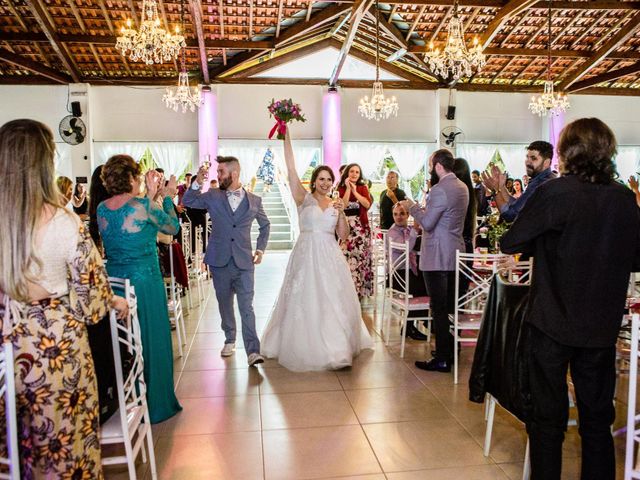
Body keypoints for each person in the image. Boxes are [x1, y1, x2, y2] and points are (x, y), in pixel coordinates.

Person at [501, 118, 640, 480]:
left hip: (551, 320)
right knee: (597, 420)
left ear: (565, 152)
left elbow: (510, 241)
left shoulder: (556, 193)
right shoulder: (625, 199)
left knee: (547, 421)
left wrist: (546, 240)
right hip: (600, 325)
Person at [0, 119, 128, 478]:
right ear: (44, 164)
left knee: (19, 449)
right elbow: (93, 303)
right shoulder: (63, 223)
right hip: (57, 351)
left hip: (10, 347)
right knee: (69, 447)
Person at [261, 129, 373, 371]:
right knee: (306, 299)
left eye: (328, 179)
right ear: (314, 181)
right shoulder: (303, 198)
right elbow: (291, 169)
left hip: (330, 254)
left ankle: (337, 349)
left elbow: (343, 236)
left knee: (332, 300)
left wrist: (342, 211)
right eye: (321, 178)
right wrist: (287, 135)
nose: (325, 183)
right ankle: (303, 345)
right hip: (306, 253)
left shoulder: (335, 203)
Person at [98, 155, 182, 423]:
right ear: (132, 179)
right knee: (150, 338)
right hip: (144, 282)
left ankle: (129, 398)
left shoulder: (101, 208)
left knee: (125, 343)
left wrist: (150, 194)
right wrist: (166, 196)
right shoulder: (143, 206)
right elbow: (173, 226)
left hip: (115, 284)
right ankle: (156, 403)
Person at [183, 157, 270, 366]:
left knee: (246, 306)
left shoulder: (255, 201)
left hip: (244, 261)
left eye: (221, 172)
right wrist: (198, 181)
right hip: (219, 260)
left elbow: (265, 225)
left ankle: (253, 350)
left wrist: (260, 249)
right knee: (224, 303)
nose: (218, 175)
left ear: (234, 174)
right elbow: (188, 201)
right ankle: (230, 339)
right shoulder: (212, 196)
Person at [400, 149, 468, 372]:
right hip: (455, 251)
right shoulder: (462, 187)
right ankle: (449, 351)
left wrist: (413, 207)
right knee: (450, 305)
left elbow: (428, 223)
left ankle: (442, 358)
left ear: (438, 166)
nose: (430, 169)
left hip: (437, 255)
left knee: (438, 307)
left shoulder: (439, 189)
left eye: (431, 165)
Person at [482, 141, 555, 222]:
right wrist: (501, 187)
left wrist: (495, 190)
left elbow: (510, 215)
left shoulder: (541, 183)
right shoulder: (542, 179)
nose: (527, 162)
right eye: (527, 157)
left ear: (546, 163)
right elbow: (517, 205)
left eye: (533, 158)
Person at [387, 203, 429, 341]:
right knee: (424, 288)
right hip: (397, 276)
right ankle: (412, 325)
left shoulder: (408, 229)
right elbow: (406, 248)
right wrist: (416, 229)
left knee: (429, 283)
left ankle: (424, 322)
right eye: (395, 214)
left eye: (402, 213)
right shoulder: (392, 233)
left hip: (409, 273)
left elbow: (417, 245)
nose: (398, 217)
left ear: (407, 215)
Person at [338, 163, 374, 299]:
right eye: (351, 171)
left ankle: (360, 292)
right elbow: (343, 205)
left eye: (357, 172)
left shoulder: (363, 187)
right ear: (347, 173)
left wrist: (355, 191)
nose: (354, 174)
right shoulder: (340, 188)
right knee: (346, 259)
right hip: (346, 229)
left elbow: (367, 204)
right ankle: (347, 291)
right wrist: (348, 189)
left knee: (361, 259)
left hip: (361, 229)